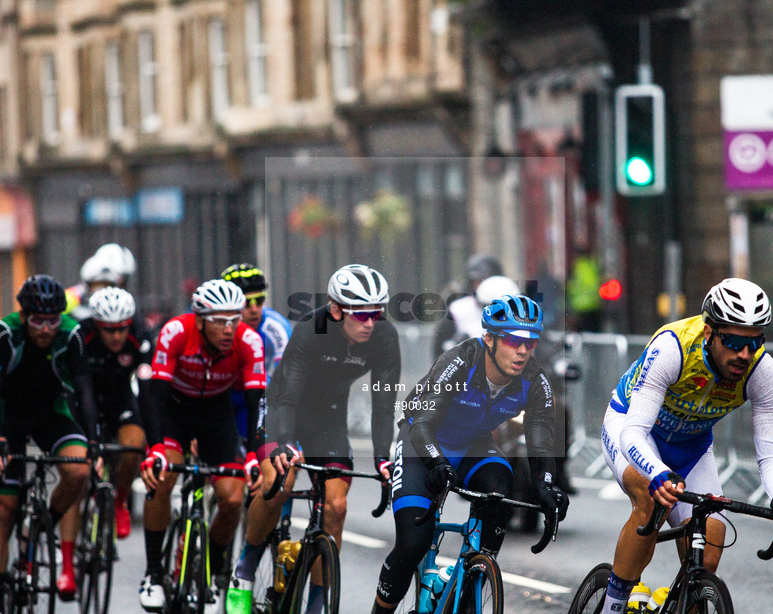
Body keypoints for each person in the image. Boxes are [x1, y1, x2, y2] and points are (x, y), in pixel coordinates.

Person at [597, 278, 773, 614]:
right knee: (651, 501)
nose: (745, 354)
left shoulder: (761, 370)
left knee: (709, 545)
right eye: (734, 341)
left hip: (691, 446)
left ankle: (675, 599)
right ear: (709, 333)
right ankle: (614, 605)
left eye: (755, 342)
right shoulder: (672, 348)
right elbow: (633, 432)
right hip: (632, 428)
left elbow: (771, 451)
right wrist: (659, 473)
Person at [371, 294, 569, 614]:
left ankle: (472, 576)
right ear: (489, 338)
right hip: (422, 442)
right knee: (412, 543)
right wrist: (436, 462)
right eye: (513, 340)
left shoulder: (534, 380)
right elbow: (422, 423)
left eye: (530, 343)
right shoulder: (461, 362)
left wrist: (545, 485)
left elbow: (541, 443)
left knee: (499, 489)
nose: (522, 351)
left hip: (472, 444)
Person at [225, 264, 401, 614]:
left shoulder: (384, 336)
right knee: (279, 481)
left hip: (329, 416)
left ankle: (316, 605)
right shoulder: (312, 329)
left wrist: (384, 457)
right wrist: (287, 442)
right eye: (362, 314)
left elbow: (384, 406)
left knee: (336, 506)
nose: (371, 322)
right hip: (283, 408)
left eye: (377, 313)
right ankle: (244, 569)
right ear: (336, 310)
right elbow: (287, 397)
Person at [138, 279, 266, 611]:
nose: (229, 329)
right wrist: (154, 449)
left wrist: (253, 453)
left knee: (232, 498)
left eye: (234, 320)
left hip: (216, 413)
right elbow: (155, 396)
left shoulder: (249, 341)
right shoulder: (175, 332)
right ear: (199, 320)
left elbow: (255, 403)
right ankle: (153, 574)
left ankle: (213, 563)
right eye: (220, 320)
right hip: (174, 410)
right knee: (162, 478)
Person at [0, 275, 101, 612]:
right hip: (9, 417)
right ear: (24, 316)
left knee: (79, 470)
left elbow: (84, 388)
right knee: (2, 509)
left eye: (52, 321)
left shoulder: (71, 332)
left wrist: (93, 440)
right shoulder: (8, 333)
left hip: (51, 412)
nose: (46, 329)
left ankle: (41, 523)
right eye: (37, 320)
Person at [79, 287, 152, 538]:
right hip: (85, 398)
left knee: (133, 447)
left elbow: (146, 390)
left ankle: (121, 501)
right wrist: (92, 439)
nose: (117, 336)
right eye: (109, 329)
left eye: (122, 328)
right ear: (96, 325)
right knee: (80, 461)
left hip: (120, 398)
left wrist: (152, 437)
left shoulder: (140, 336)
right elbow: (77, 388)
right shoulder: (82, 336)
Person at [220, 263, 293, 440]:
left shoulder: (277, 327)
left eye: (259, 301)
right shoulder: (216, 326)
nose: (254, 309)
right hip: (221, 394)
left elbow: (288, 381)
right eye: (246, 303)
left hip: (258, 393)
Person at [433, 254, 504, 357]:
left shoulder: (514, 309)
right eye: (478, 282)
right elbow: (440, 349)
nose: (482, 287)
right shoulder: (459, 309)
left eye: (486, 281)